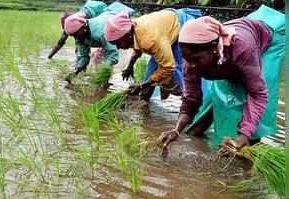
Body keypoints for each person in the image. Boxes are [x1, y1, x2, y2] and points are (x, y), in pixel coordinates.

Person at [157, 5, 285, 157]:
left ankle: (251, 152)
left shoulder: (243, 49)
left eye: (195, 59)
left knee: (254, 98)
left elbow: (258, 95)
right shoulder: (193, 61)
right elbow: (191, 99)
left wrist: (243, 136)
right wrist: (176, 130)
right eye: (186, 59)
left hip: (272, 35)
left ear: (213, 48)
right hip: (239, 37)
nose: (190, 65)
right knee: (219, 98)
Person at [104, 8, 207, 101]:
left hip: (178, 28)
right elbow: (137, 45)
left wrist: (141, 86)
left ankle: (195, 102)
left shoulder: (150, 39)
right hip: (162, 33)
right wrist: (130, 66)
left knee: (182, 71)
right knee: (149, 75)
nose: (117, 47)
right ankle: (144, 104)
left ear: (127, 35)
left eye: (118, 43)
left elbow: (168, 67)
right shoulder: (134, 32)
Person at [63, 2, 135, 83]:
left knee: (103, 59)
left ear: (83, 27)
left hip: (116, 18)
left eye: (75, 34)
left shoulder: (100, 31)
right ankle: (103, 83)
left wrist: (102, 73)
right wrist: (76, 71)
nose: (75, 37)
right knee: (97, 58)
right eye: (72, 35)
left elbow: (113, 54)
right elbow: (84, 56)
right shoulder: (80, 37)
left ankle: (105, 83)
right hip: (106, 23)